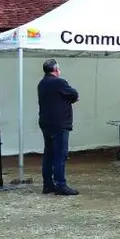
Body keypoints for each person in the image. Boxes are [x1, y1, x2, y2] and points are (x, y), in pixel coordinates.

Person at [37, 59, 79, 196]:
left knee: (48, 154)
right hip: (60, 123)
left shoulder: (42, 83)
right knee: (60, 154)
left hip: (45, 122)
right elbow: (74, 94)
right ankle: (61, 184)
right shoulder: (59, 82)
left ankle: (48, 184)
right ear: (55, 69)